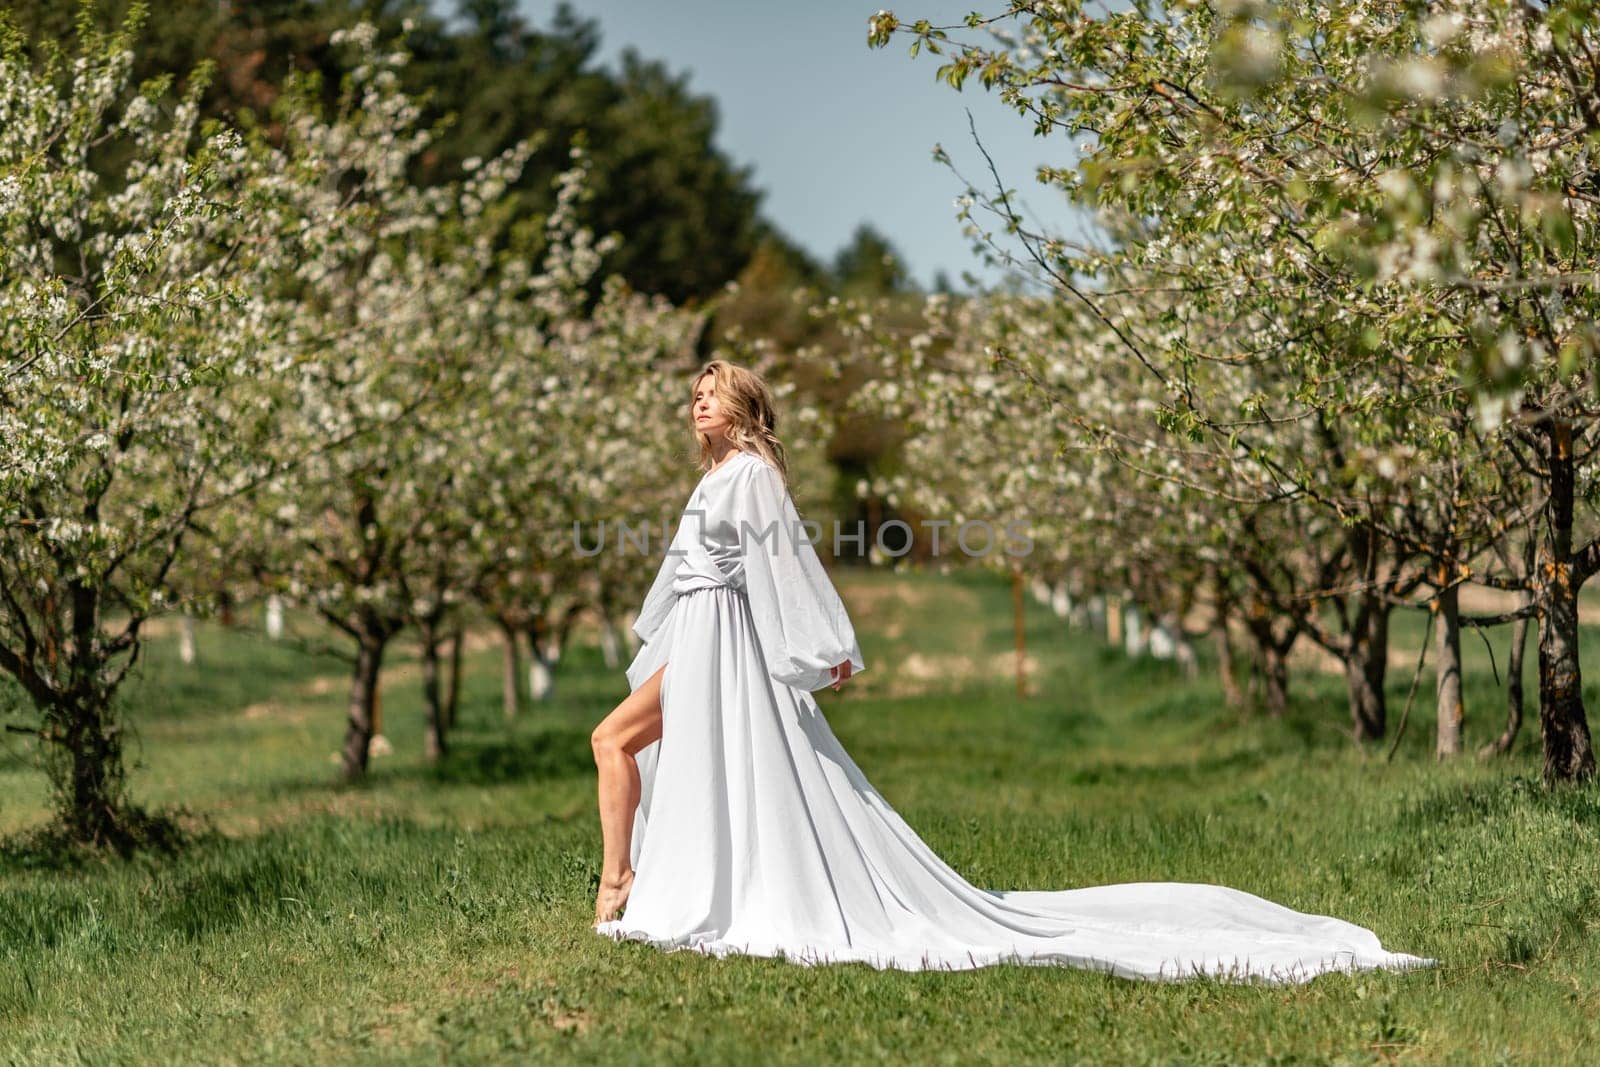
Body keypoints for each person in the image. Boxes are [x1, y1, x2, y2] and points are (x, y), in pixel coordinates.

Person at [588, 360, 1433, 982]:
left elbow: (790, 567)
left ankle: (621, 884)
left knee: (611, 739)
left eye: (711, 393)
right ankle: (634, 880)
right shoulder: (717, 479)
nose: (696, 402)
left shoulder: (752, 477)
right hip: (699, 641)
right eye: (693, 394)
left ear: (741, 410)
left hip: (724, 645)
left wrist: (821, 646)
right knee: (618, 742)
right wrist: (664, 630)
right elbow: (692, 570)